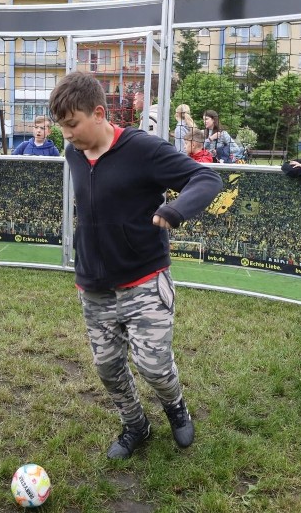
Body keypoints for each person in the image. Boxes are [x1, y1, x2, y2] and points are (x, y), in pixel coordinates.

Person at [48, 71, 222, 460]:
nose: (68, 134)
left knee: (154, 365)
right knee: (108, 367)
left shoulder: (142, 149)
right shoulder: (74, 151)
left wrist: (175, 209)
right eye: (62, 127)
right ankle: (135, 426)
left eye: (73, 124)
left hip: (144, 278)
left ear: (98, 113)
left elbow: (206, 178)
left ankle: (175, 406)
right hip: (94, 283)